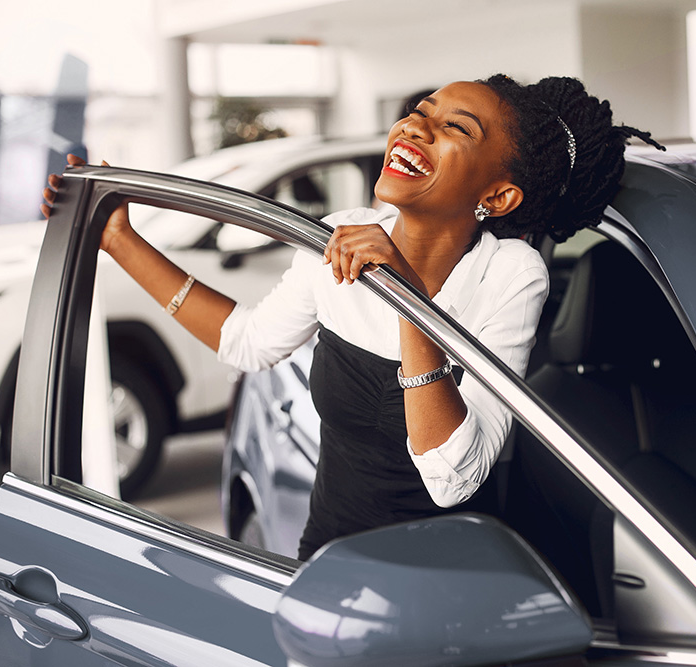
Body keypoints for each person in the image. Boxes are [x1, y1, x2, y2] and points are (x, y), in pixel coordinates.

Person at [43, 75, 663, 560]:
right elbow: (247, 343)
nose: (414, 129)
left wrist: (404, 295)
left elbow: (455, 479)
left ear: (496, 197)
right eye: (419, 112)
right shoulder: (338, 236)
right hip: (328, 558)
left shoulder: (511, 275)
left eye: (456, 128)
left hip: (450, 581)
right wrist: (120, 239)